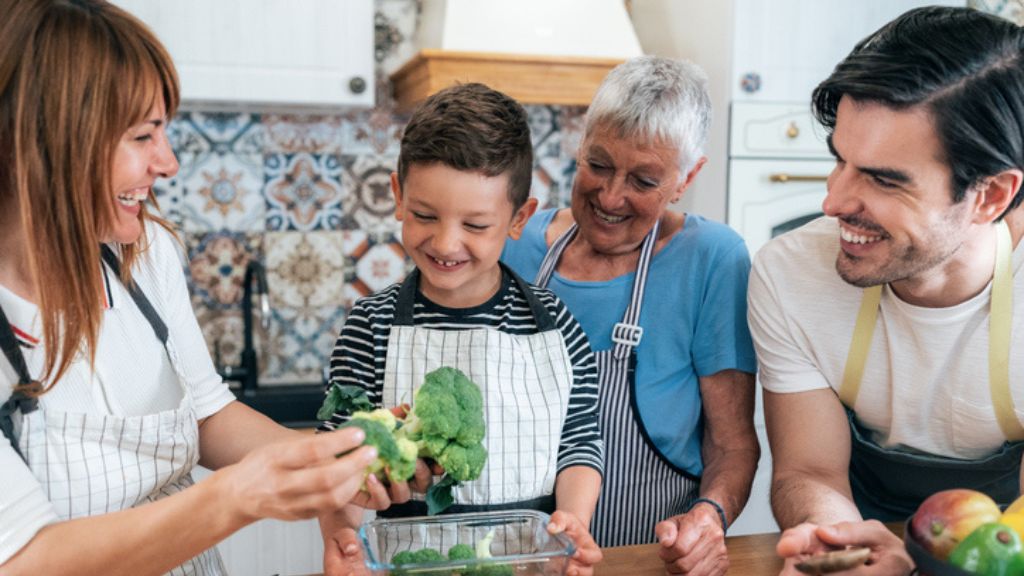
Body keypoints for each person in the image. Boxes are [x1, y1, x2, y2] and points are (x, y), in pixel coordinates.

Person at [0, 2, 385, 574]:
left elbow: (207, 415)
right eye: (143, 135)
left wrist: (333, 467)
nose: (169, 162)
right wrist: (235, 496)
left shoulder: (144, 253)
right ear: (48, 143)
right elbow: (23, 560)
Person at [747, 6, 1024, 574]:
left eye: (882, 179)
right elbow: (810, 472)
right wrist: (846, 548)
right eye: (840, 161)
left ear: (991, 196)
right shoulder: (789, 273)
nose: (833, 202)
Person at [317, 82, 605, 576]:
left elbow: (579, 444)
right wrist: (343, 537)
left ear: (519, 218)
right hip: (406, 564)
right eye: (426, 215)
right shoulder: (371, 326)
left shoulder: (556, 326)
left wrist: (573, 523)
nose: (446, 242)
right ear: (398, 197)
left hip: (524, 565)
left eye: (475, 226)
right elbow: (339, 456)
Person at [502, 55, 760, 575]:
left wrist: (707, 519)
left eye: (643, 181)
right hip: (515, 559)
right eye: (598, 164)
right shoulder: (513, 243)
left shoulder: (711, 258)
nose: (610, 195)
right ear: (581, 140)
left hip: (646, 560)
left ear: (688, 177)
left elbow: (732, 445)